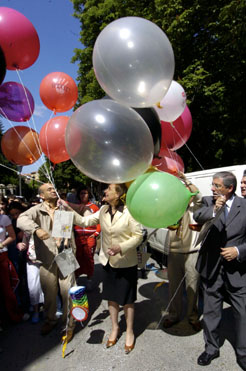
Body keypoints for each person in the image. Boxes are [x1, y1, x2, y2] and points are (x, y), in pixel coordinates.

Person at [60, 183, 143, 354]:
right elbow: (85, 220)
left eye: (109, 189)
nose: (105, 191)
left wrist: (121, 246)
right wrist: (68, 209)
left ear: (118, 193)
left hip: (126, 262)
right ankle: (114, 328)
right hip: (108, 261)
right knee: (111, 297)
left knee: (127, 300)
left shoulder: (130, 211)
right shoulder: (104, 209)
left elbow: (138, 236)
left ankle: (129, 331)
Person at [193, 171, 246, 370]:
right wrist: (214, 211)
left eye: (217, 185)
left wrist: (239, 250)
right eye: (212, 185)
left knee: (242, 314)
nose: (213, 188)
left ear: (229, 188)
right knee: (211, 311)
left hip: (238, 270)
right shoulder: (208, 201)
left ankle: (243, 353)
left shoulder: (245, 205)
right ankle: (211, 348)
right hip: (212, 268)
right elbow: (198, 216)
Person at [16, 183, 79, 342]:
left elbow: (81, 218)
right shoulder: (36, 209)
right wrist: (36, 229)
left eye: (54, 188)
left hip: (65, 255)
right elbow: (21, 220)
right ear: (42, 195)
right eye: (49, 189)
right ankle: (50, 320)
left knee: (68, 292)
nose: (53, 190)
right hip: (46, 257)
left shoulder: (63, 208)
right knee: (49, 293)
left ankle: (69, 325)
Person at [162, 173, 202, 332]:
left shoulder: (196, 206)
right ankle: (174, 315)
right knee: (174, 287)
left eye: (188, 193)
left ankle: (193, 317)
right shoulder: (172, 208)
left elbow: (197, 193)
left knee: (193, 287)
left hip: (192, 252)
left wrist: (185, 180)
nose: (187, 196)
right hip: (174, 252)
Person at [68, 185, 100, 290]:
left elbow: (100, 222)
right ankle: (75, 279)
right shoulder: (74, 206)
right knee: (76, 258)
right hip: (77, 237)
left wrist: (95, 234)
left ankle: (89, 279)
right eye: (81, 193)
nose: (83, 195)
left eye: (85, 193)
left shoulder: (94, 207)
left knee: (89, 259)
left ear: (89, 194)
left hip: (90, 237)